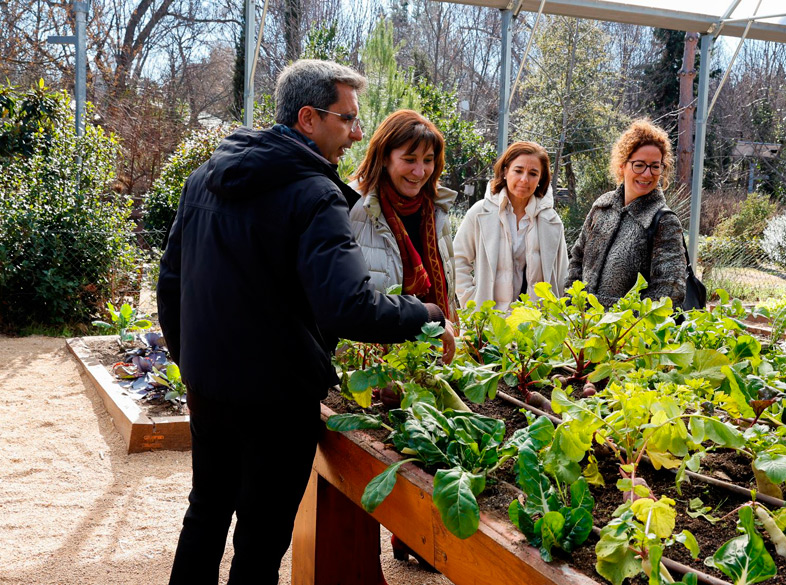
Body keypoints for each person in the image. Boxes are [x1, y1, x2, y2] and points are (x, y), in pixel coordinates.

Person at [157, 59, 455, 585]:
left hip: (209, 387)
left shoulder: (204, 177)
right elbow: (348, 306)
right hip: (276, 400)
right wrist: (427, 314)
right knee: (260, 538)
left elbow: (171, 282)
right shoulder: (315, 194)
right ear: (309, 118)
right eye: (348, 119)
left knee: (205, 512)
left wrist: (191, 363)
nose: (357, 133)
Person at [349, 109, 457, 320]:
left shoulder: (436, 210)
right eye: (409, 160)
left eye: (428, 160)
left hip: (435, 336)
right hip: (375, 339)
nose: (420, 172)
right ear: (384, 157)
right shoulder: (353, 207)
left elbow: (449, 292)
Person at [566, 119, 686, 308]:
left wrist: (624, 319)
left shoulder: (663, 221)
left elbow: (669, 290)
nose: (647, 174)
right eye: (639, 165)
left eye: (655, 166)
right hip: (583, 322)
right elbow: (577, 260)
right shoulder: (602, 207)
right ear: (622, 165)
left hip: (628, 326)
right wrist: (572, 305)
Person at [453, 141, 568, 311]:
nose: (524, 179)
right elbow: (456, 259)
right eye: (518, 170)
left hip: (536, 322)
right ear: (505, 172)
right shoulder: (479, 212)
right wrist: (471, 299)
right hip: (488, 320)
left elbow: (562, 275)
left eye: (533, 173)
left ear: (540, 179)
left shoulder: (551, 221)